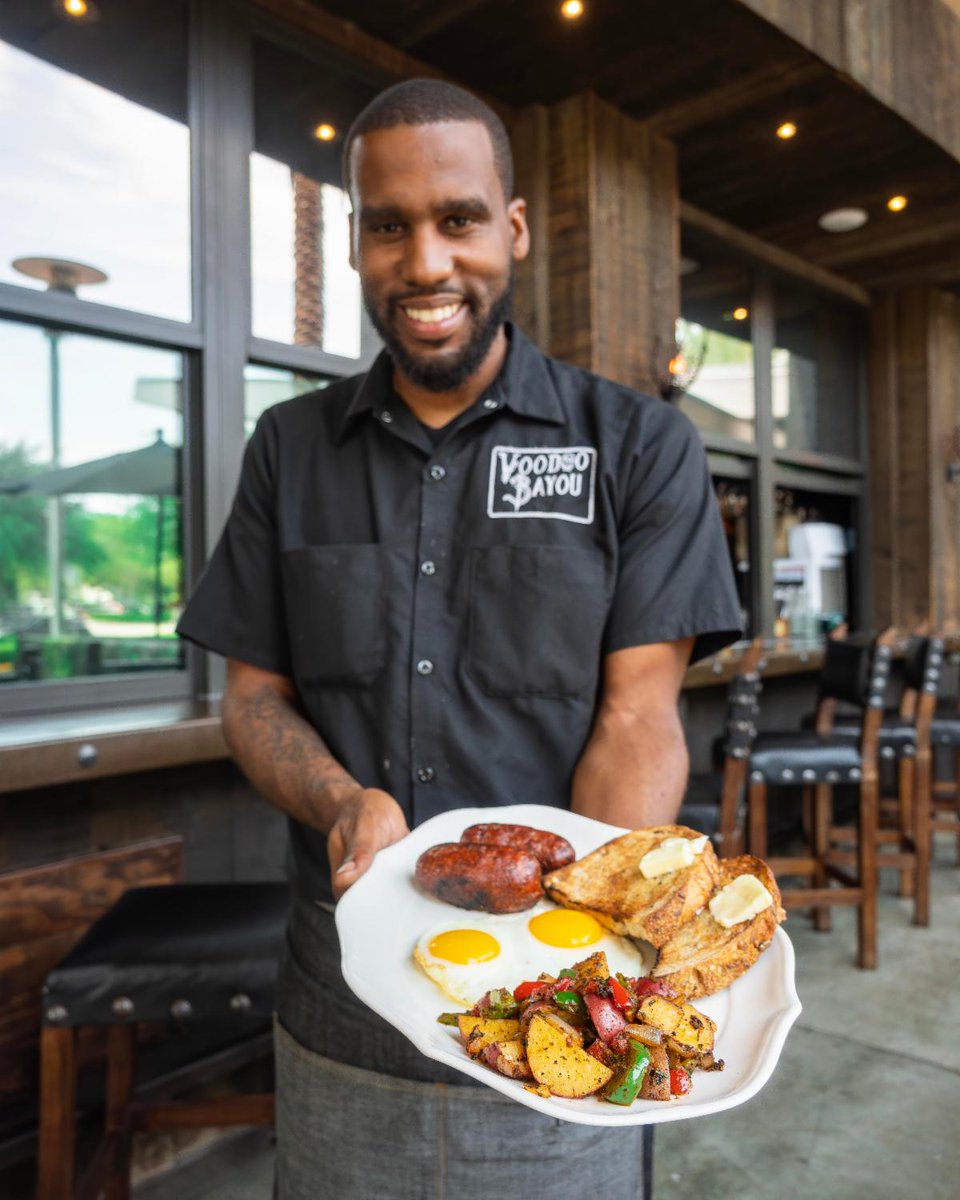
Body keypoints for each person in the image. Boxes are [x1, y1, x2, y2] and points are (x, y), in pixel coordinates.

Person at [177, 78, 741, 1199]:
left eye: (459, 219)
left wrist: (573, 952)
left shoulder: (637, 448)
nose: (426, 262)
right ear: (355, 244)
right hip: (343, 1007)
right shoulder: (288, 451)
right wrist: (342, 800)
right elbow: (252, 697)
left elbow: (638, 713)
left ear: (513, 229)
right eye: (390, 226)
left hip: (564, 1001)